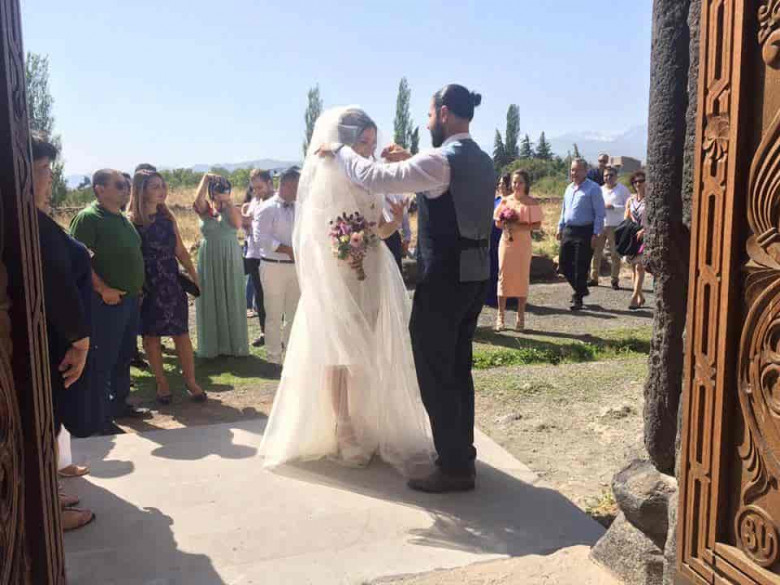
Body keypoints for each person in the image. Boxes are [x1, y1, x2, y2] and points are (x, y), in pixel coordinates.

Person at [317, 84, 496, 493]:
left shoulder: (439, 159)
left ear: (444, 114)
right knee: (458, 368)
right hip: (476, 275)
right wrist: (410, 160)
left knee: (434, 371)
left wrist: (340, 150)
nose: (427, 122)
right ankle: (461, 454)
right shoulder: (482, 159)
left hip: (445, 277)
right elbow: (440, 181)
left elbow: (373, 175)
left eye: (430, 115)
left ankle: (452, 466)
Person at [259, 108, 433, 477]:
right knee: (338, 350)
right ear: (345, 142)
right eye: (362, 141)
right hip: (338, 274)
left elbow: (379, 231)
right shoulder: (329, 176)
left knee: (367, 347)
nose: (369, 148)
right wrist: (343, 251)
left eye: (372, 141)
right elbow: (313, 233)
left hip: (372, 270)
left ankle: (366, 418)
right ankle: (343, 424)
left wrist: (395, 219)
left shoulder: (371, 176)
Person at [32, 133, 95, 530]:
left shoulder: (31, 217)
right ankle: (43, 514)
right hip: (44, 343)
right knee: (37, 425)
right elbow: (54, 278)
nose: (49, 177)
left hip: (49, 342)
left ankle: (46, 493)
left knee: (46, 423)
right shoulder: (23, 220)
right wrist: (80, 339)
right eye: (43, 169)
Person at [70, 168, 147, 434]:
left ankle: (119, 405)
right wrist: (103, 289)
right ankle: (100, 418)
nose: (126, 190)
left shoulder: (121, 218)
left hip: (129, 301)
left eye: (127, 185)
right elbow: (80, 262)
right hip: (106, 303)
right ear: (100, 189)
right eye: (120, 185)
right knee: (102, 360)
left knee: (123, 355)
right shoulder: (89, 218)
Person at [128, 170, 206, 404]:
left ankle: (191, 381)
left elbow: (180, 250)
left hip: (171, 281)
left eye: (163, 185)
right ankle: (162, 384)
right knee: (151, 336)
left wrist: (194, 275)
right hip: (147, 284)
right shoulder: (130, 221)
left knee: (181, 333)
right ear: (142, 191)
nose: (162, 191)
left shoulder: (167, 217)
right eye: (155, 186)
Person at [193, 173, 250, 358]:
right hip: (209, 256)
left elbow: (237, 223)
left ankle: (233, 344)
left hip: (230, 256)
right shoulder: (205, 210)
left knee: (231, 293)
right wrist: (206, 180)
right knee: (211, 294)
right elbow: (197, 200)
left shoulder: (233, 209)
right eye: (217, 191)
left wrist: (228, 201)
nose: (220, 193)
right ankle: (214, 345)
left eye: (224, 190)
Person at [254, 168, 301, 365]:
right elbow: (261, 239)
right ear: (286, 185)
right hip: (273, 267)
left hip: (296, 267)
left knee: (294, 315)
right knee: (273, 314)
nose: (300, 191)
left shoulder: (301, 207)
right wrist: (287, 250)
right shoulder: (266, 208)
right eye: (297, 187)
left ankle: (292, 357)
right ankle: (274, 358)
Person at [494, 170, 543, 331]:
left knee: (522, 277)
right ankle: (500, 316)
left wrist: (519, 226)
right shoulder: (505, 200)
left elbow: (537, 225)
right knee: (503, 277)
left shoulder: (531, 202)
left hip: (523, 244)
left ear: (526, 184)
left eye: (520, 182)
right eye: (514, 182)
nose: (517, 185)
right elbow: (497, 223)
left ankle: (520, 316)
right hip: (506, 243)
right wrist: (506, 224)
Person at [557, 159, 606, 311]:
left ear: (585, 171)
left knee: (581, 266)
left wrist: (596, 233)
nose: (574, 173)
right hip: (569, 230)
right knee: (563, 264)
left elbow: (600, 213)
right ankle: (582, 289)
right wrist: (560, 227)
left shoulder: (593, 188)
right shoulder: (569, 188)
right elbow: (564, 210)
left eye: (578, 170)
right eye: (572, 170)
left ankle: (578, 297)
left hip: (585, 231)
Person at [243, 169, 275, 346]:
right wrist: (246, 224)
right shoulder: (255, 201)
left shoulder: (278, 202)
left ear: (270, 183)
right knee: (260, 296)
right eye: (253, 188)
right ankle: (265, 332)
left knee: (275, 297)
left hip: (272, 256)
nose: (256, 191)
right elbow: (250, 225)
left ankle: (280, 333)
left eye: (260, 187)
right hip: (254, 254)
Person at [590, 166, 631, 289]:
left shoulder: (623, 190)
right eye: (605, 175)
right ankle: (594, 278)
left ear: (616, 176)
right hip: (601, 224)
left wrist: (613, 207)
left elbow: (628, 207)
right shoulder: (599, 189)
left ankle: (614, 280)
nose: (608, 178)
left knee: (615, 254)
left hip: (615, 225)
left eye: (610, 175)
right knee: (596, 252)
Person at [485, 174, 510, 307]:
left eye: (503, 184)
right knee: (493, 266)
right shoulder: (496, 200)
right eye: (499, 183)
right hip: (493, 237)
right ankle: (491, 296)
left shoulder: (513, 202)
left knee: (504, 268)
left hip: (505, 238)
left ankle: (508, 298)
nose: (500, 186)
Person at [626, 170, 648, 310]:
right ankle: (640, 295)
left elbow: (653, 218)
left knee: (640, 266)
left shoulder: (650, 199)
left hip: (645, 235)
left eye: (641, 181)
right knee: (633, 268)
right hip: (633, 236)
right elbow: (626, 218)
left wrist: (645, 230)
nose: (638, 184)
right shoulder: (631, 200)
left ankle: (634, 297)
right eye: (635, 182)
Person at [382, 192, 412, 272]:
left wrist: (407, 238)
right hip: (378, 238)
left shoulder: (397, 195)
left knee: (396, 268)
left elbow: (405, 220)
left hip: (394, 237)